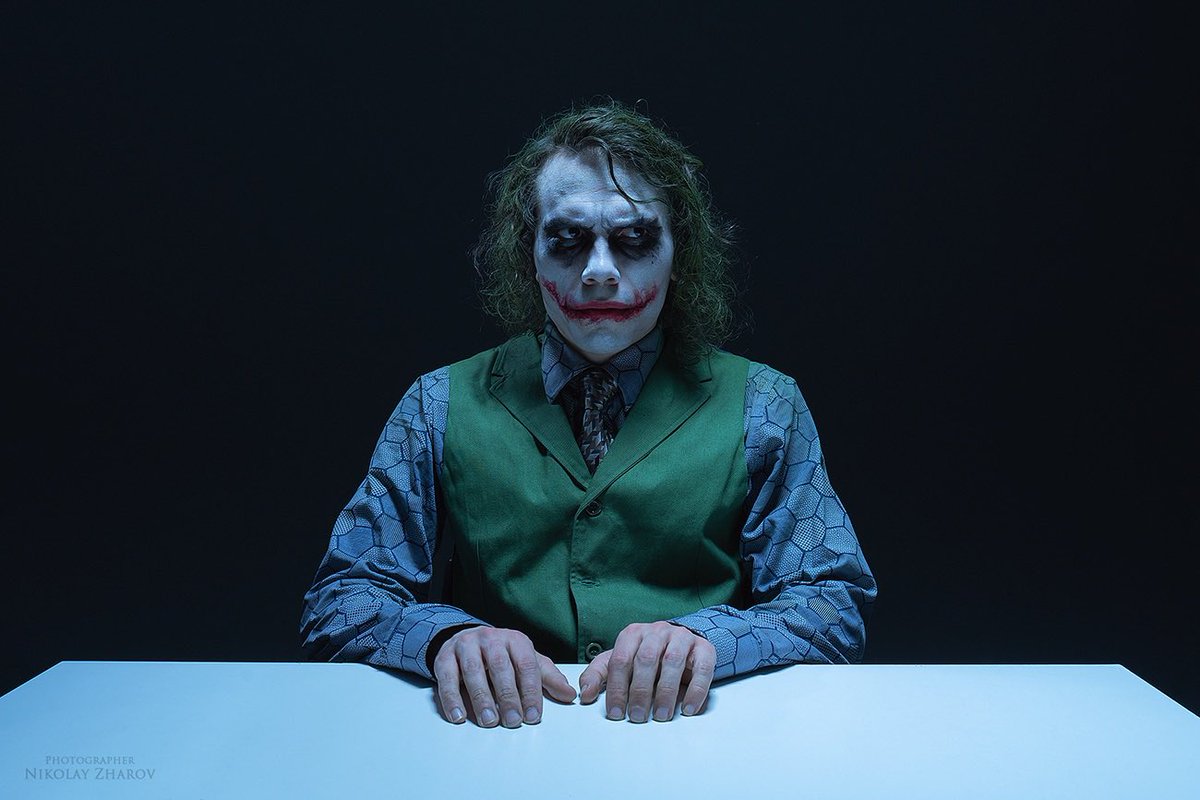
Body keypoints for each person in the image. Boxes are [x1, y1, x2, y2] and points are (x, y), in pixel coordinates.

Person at [299, 102, 876, 728]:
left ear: (678, 253)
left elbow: (831, 605)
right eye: (568, 240)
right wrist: (446, 638)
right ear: (529, 253)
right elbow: (341, 600)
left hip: (695, 741)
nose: (600, 272)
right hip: (495, 740)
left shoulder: (766, 404)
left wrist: (708, 639)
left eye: (635, 239)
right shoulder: (436, 403)